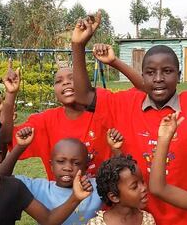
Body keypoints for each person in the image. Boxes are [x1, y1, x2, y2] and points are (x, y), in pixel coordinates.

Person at [71, 10, 187, 224]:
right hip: (138, 219)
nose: (158, 79)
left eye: (167, 71)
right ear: (142, 76)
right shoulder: (124, 104)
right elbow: (83, 95)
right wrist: (78, 46)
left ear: (179, 76)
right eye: (150, 72)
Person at [11, 47, 144, 180]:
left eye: (72, 78)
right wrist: (10, 95)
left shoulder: (104, 109)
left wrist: (114, 61)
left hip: (101, 197)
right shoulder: (45, 121)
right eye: (59, 81)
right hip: (63, 199)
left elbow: (144, 90)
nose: (66, 82)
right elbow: (6, 140)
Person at [0, 126, 103, 225]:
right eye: (61, 161)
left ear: (85, 167)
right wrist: (20, 147)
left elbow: (119, 182)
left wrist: (116, 151)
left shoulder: (95, 186)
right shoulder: (39, 188)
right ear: (51, 165)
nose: (68, 168)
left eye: (76, 163)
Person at [87, 155, 156, 225]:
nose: (144, 188)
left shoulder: (147, 219)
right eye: (134, 187)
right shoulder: (97, 223)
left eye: (143, 182)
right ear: (114, 197)